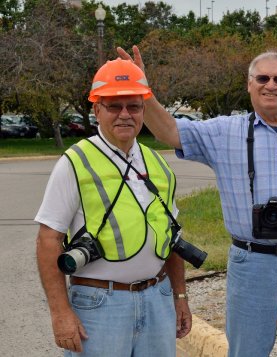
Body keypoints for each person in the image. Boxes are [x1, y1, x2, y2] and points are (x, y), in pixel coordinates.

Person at [118, 46, 277, 357]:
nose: (270, 85)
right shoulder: (224, 132)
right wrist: (141, 87)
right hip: (251, 263)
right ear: (249, 84)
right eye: (262, 77)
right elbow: (169, 131)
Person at [35, 58, 191, 357]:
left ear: (144, 109)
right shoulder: (75, 162)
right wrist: (60, 313)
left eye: (133, 106)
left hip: (157, 297)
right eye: (113, 107)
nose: (124, 115)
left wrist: (179, 296)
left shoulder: (157, 163)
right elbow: (48, 240)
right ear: (97, 110)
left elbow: (172, 238)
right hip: (99, 305)